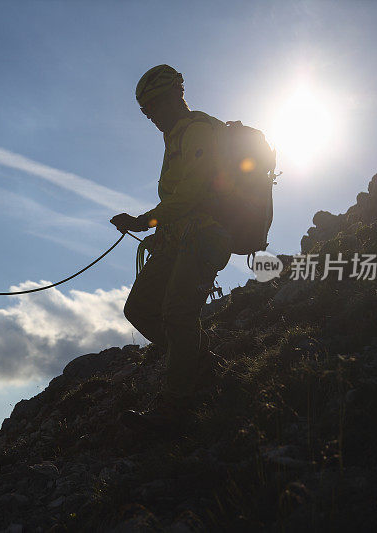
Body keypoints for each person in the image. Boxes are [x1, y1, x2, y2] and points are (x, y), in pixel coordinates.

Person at [111, 65, 232, 431]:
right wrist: (159, 232)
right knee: (140, 309)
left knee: (178, 315)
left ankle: (177, 407)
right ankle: (199, 361)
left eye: (156, 107)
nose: (152, 117)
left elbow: (193, 194)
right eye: (147, 112)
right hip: (181, 239)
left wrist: (143, 221)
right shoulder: (176, 137)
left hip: (206, 237)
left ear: (176, 96)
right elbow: (184, 201)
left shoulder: (197, 130)